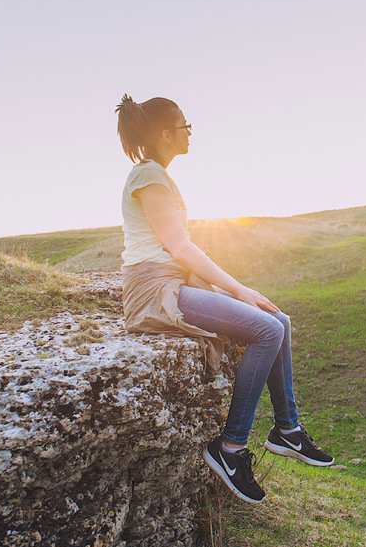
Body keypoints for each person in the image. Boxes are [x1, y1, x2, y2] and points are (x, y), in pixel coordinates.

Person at [115, 94, 333, 504]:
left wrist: (234, 293)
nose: (189, 132)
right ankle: (230, 449)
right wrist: (238, 289)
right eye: (184, 126)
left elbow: (178, 252)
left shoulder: (157, 175)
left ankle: (287, 430)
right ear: (165, 133)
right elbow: (178, 247)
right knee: (266, 330)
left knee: (278, 320)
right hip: (155, 290)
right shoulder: (148, 177)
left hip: (173, 281)